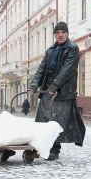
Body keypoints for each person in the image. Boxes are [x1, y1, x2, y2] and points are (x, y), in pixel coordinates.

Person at [28, 21, 86, 160]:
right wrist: (34, 84)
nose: (60, 35)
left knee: (57, 120)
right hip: (48, 89)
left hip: (64, 91)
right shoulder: (50, 50)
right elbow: (42, 68)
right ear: (55, 35)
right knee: (43, 119)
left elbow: (67, 69)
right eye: (57, 33)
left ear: (67, 34)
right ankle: (41, 146)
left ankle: (54, 150)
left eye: (63, 32)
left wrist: (55, 86)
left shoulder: (73, 48)